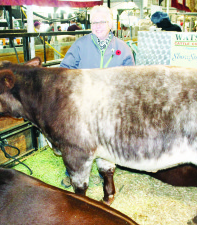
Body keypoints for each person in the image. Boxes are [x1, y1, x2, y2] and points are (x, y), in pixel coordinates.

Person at [59, 5, 135, 187]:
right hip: (83, 103)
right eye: (94, 22)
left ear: (111, 23)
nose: (97, 25)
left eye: (102, 21)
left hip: (110, 104)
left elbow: (131, 78)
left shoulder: (123, 48)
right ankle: (72, 172)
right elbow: (64, 69)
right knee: (77, 140)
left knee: (107, 139)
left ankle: (106, 173)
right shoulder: (80, 45)